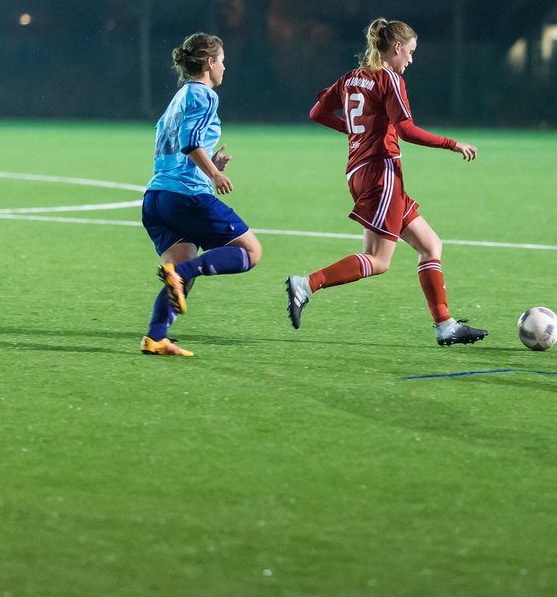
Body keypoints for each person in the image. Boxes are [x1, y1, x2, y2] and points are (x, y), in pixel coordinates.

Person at [285, 18, 487, 346]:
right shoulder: (388, 78)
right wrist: (453, 144)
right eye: (409, 52)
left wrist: (354, 131)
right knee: (378, 260)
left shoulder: (352, 78)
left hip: (362, 171)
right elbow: (406, 130)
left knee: (430, 245)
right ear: (396, 48)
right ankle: (306, 284)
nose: (411, 59)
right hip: (381, 173)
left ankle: (444, 324)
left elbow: (316, 113)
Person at [140, 33, 262, 356]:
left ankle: (156, 337)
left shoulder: (179, 97)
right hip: (185, 196)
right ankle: (178, 274)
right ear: (209, 63)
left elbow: (176, 143)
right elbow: (189, 141)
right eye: (222, 60)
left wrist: (208, 161)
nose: (224, 66)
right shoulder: (205, 96)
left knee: (183, 268)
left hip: (157, 197)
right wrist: (214, 173)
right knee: (251, 252)